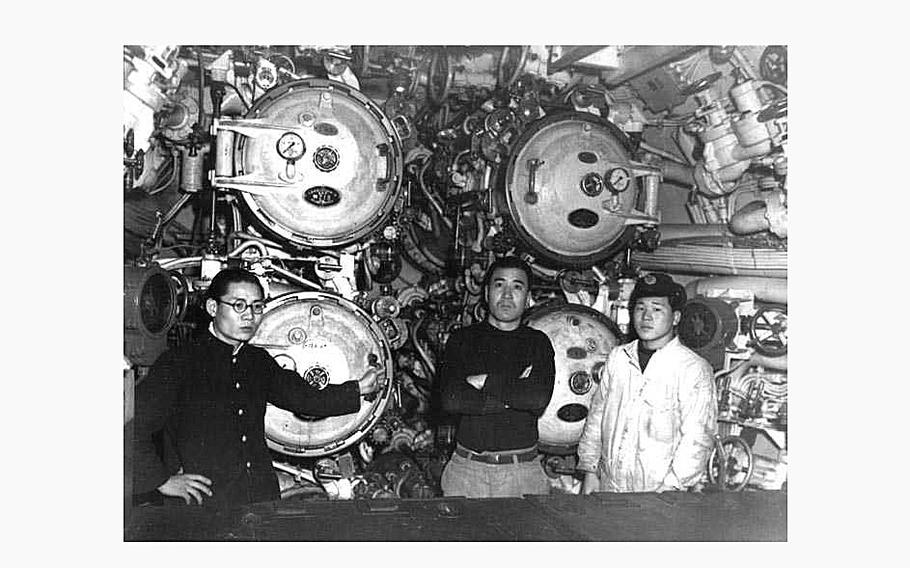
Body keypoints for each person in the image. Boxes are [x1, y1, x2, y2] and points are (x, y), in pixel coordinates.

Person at [132, 267, 382, 509]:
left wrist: (358, 388)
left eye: (256, 307)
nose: (249, 315)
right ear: (212, 308)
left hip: (260, 498)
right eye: (238, 305)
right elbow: (132, 424)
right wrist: (160, 481)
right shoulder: (180, 362)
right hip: (204, 507)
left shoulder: (257, 361)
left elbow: (304, 398)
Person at [577, 272, 716, 494]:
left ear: (676, 318)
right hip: (609, 486)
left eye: (657, 309)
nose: (646, 317)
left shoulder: (692, 369)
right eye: (640, 308)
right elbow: (598, 415)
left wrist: (670, 488)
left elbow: (697, 438)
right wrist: (590, 471)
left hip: (659, 493)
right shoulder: (619, 358)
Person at [437, 256, 555, 498]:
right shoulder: (462, 340)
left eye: (517, 286)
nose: (507, 295)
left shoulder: (538, 343)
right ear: (487, 292)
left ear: (528, 296)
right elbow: (452, 399)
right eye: (500, 285)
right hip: (467, 472)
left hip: (522, 474)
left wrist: (484, 382)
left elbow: (536, 398)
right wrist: (513, 395)